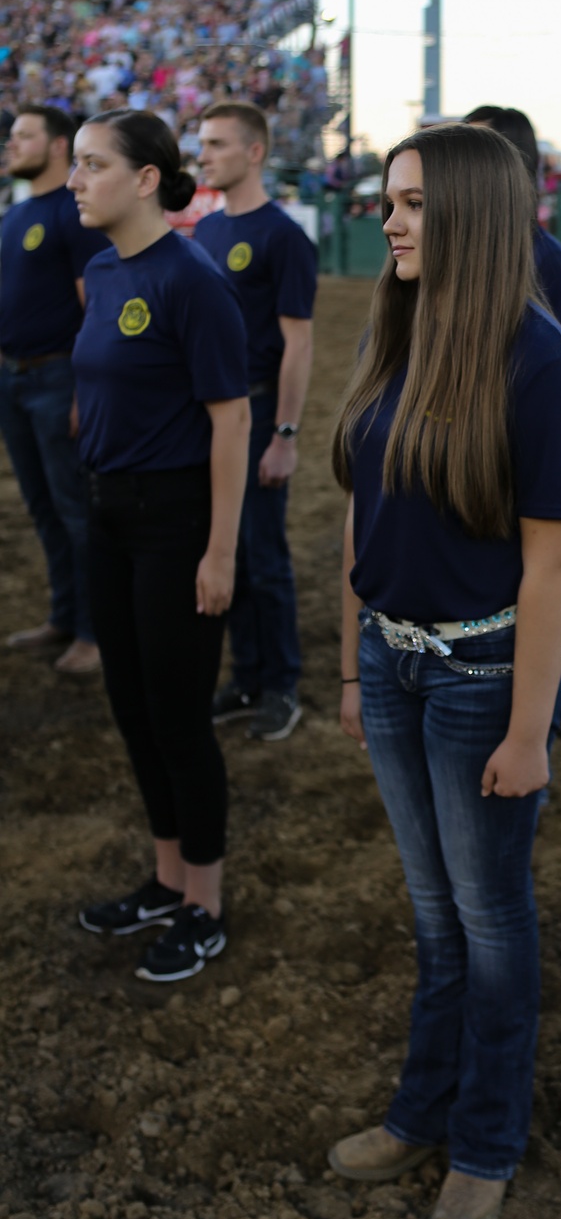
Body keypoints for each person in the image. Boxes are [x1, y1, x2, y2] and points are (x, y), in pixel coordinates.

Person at [327, 123, 561, 1219]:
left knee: (490, 923)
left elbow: (554, 563)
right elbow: (359, 508)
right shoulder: (396, 328)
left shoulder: (539, 365)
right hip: (394, 663)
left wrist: (529, 731)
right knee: (436, 921)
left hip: (485, 676)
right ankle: (418, 1111)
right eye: (388, 200)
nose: (388, 220)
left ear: (477, 217)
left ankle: (484, 1139)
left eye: (414, 204)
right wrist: (354, 659)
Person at [70, 110, 250, 982]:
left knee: (179, 717)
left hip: (176, 523)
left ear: (146, 179)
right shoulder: (102, 272)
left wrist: (220, 551)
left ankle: (205, 904)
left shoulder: (190, 279)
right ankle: (167, 876)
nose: (75, 181)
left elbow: (231, 420)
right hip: (108, 517)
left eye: (93, 165)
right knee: (132, 708)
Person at [194, 101, 317, 741]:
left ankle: (282, 685)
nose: (204, 154)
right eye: (202, 143)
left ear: (255, 152)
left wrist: (285, 436)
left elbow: (298, 343)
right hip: (210, 412)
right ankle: (245, 673)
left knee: (265, 554)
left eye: (216, 144)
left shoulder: (284, 237)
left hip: (260, 405)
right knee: (225, 546)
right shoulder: (208, 233)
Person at [0, 104, 108, 674]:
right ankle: (63, 616)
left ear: (58, 144)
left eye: (24, 135)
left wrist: (81, 392)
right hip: (13, 378)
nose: (11, 144)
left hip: (56, 376)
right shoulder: (15, 216)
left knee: (75, 511)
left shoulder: (72, 212)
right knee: (43, 508)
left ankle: (95, 632)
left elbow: (93, 309)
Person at [464, 105, 561, 340]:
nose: (460, 163)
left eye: (476, 150)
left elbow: (560, 357)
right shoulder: (440, 244)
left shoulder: (547, 258)